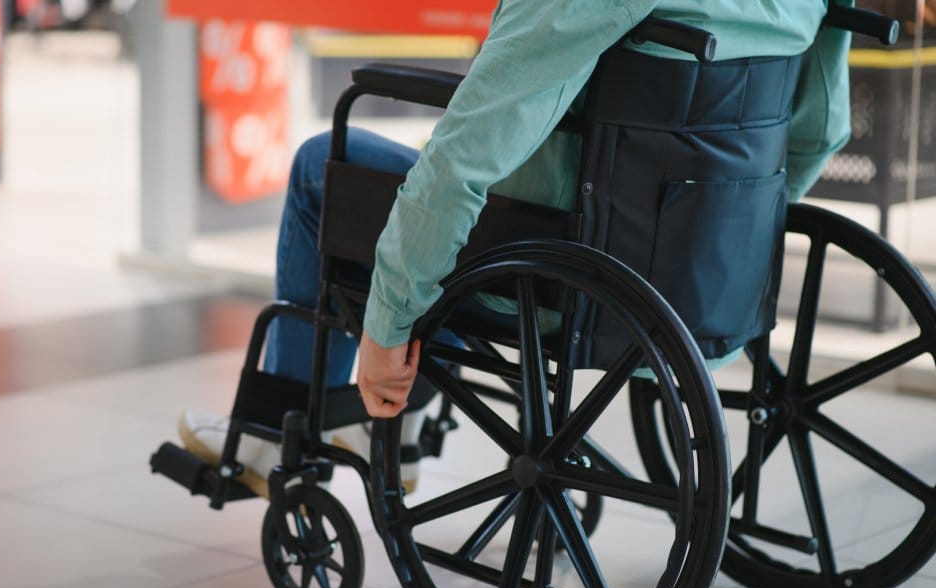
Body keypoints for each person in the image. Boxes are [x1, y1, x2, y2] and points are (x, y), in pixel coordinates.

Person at [180, 0, 853, 498]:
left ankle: (292, 427)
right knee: (435, 209)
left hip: (556, 260)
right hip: (696, 273)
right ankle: (400, 427)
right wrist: (719, 229)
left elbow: (465, 160)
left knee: (320, 164)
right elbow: (822, 131)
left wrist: (385, 330)